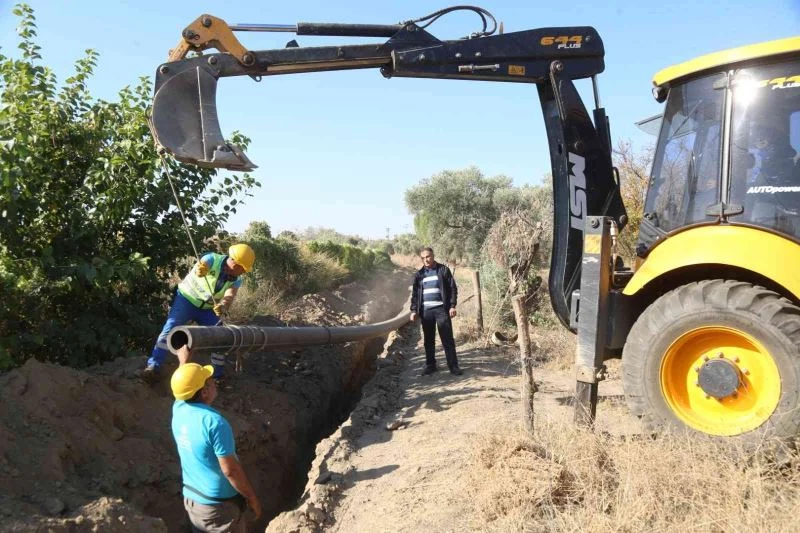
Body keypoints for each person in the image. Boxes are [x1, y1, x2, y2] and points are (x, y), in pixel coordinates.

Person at [171, 345, 262, 532]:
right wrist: (251, 497)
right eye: (210, 381)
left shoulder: (179, 408)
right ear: (204, 392)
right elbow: (230, 471)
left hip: (193, 501)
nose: (214, 383)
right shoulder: (214, 422)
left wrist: (184, 361)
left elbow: (182, 388)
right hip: (219, 509)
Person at [141, 244, 256, 382]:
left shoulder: (237, 279)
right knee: (170, 328)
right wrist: (199, 270)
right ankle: (153, 367)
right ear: (235, 264)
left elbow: (230, 295)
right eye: (243, 269)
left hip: (207, 309)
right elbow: (202, 264)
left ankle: (217, 376)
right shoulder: (212, 259)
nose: (243, 272)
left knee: (220, 338)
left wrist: (223, 306)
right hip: (186, 300)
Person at [409, 247, 462, 376]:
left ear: (433, 256)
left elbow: (452, 288)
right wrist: (414, 310)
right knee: (428, 340)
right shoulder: (419, 274)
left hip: (441, 310)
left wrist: (452, 306)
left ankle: (453, 367)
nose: (426, 260)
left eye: (428, 257)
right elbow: (415, 295)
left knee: (447, 339)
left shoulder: (443, 270)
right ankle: (431, 365)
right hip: (426, 312)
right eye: (423, 258)